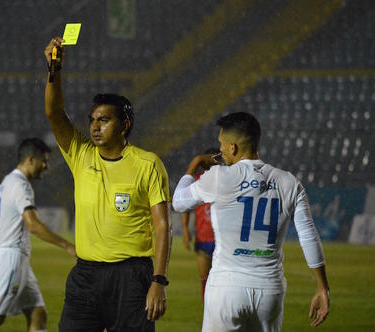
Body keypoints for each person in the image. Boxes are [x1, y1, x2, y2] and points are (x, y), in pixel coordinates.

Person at [44, 37, 172, 331]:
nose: (94, 126)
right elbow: (54, 113)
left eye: (104, 120)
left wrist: (159, 281)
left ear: (124, 125)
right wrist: (54, 69)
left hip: (132, 277)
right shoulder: (80, 153)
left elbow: (163, 226)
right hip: (85, 275)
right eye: (92, 120)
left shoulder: (147, 163)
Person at [172, 112, 330, 331]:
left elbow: (178, 202)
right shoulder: (289, 182)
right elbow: (308, 236)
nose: (220, 150)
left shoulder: (218, 176)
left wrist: (195, 164)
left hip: (226, 288)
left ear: (233, 147)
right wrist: (323, 288)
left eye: (222, 145)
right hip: (269, 290)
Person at [0, 138, 76, 332]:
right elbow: (32, 224)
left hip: (12, 258)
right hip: (10, 259)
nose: (46, 166)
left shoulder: (7, 182)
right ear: (31, 159)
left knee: (37, 313)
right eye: (44, 161)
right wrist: (68, 246)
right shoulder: (21, 186)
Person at [180, 148, 220, 303]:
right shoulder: (197, 181)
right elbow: (185, 205)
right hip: (203, 238)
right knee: (205, 278)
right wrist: (185, 230)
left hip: (221, 240)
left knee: (218, 280)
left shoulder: (225, 180)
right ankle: (208, 311)